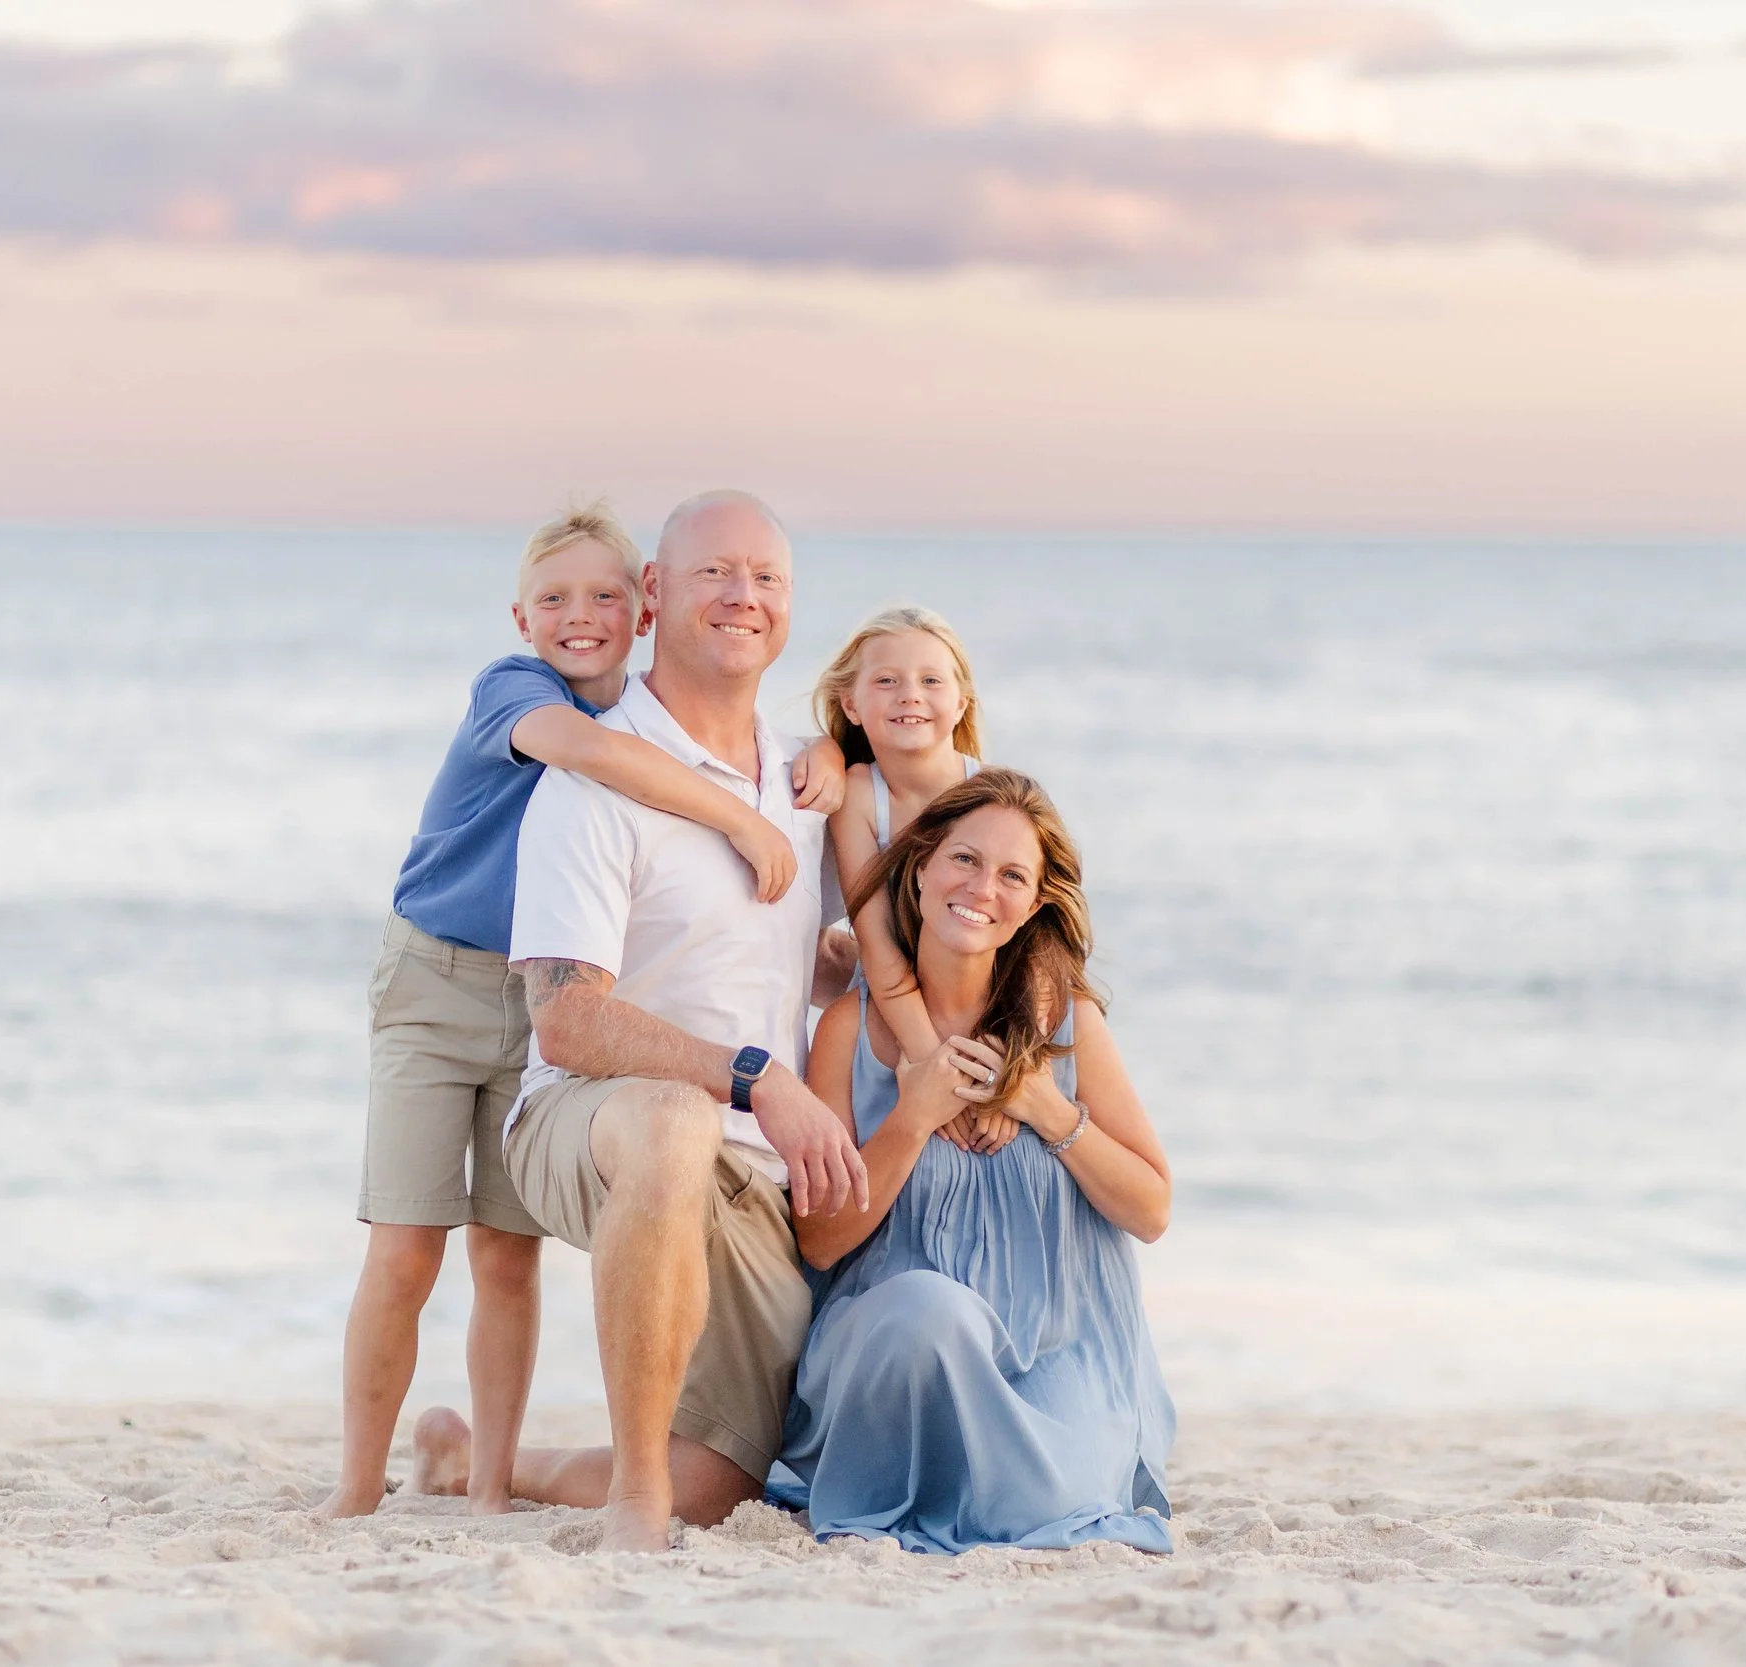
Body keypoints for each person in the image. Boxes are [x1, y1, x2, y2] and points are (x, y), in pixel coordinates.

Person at [314, 503, 841, 1520]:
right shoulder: (580, 750)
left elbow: (761, 949)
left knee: (714, 1482)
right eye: (714, 573)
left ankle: (482, 1465)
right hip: (498, 1031)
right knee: (416, 1238)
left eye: (766, 577)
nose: (743, 596)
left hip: (740, 1162)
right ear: (661, 597)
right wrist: (754, 1072)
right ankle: (590, 1503)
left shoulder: (804, 776)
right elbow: (567, 1020)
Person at [770, 768, 1179, 1554]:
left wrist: (1047, 1109)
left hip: (1058, 1352)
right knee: (932, 1312)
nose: (982, 886)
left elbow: (1152, 1209)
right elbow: (819, 1238)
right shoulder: (850, 1029)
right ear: (920, 869)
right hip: (897, 1351)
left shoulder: (1069, 1024)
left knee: (1045, 1502)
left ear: (1033, 904)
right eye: (964, 859)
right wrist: (914, 1116)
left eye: (1012, 875)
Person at [813, 605, 1009, 1152]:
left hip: (992, 1011)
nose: (910, 695)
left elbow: (1039, 941)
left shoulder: (997, 792)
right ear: (851, 703)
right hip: (889, 1009)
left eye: (930, 680)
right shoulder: (857, 796)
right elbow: (873, 939)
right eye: (886, 681)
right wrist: (928, 1061)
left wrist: (1007, 1061)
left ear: (961, 701)